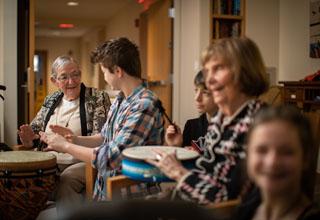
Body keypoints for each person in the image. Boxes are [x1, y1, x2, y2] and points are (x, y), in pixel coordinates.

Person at [40, 37, 164, 205]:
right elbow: (103, 137)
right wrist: (74, 139)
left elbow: (110, 158)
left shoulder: (144, 105)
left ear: (118, 71)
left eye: (104, 71)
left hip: (129, 199)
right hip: (105, 193)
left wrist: (65, 146)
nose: (104, 77)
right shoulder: (121, 99)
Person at [147, 37, 269, 204]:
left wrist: (178, 172)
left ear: (244, 73)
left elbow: (223, 200)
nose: (210, 81)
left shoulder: (259, 126)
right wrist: (177, 152)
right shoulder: (222, 119)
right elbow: (208, 172)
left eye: (218, 69)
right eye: (207, 71)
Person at [17, 55, 111, 213]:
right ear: (54, 81)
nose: (71, 81)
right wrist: (29, 140)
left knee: (65, 180)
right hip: (48, 162)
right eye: (64, 77)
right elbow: (35, 130)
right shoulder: (51, 99)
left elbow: (101, 139)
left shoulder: (97, 98)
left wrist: (69, 142)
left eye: (75, 74)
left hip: (79, 160)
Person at [235, 105, 320, 220]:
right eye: (262, 150)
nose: (272, 162)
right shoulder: (248, 205)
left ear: (305, 158)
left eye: (286, 152)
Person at [165, 70, 217, 148]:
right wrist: (176, 146)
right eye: (196, 90)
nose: (197, 98)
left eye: (205, 92)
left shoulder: (229, 129)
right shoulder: (191, 126)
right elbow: (183, 159)